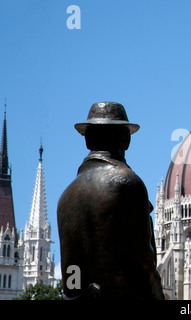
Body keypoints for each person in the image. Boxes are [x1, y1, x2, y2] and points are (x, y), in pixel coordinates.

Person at [57, 102, 164, 300]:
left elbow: (72, 271)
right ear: (125, 140)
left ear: (87, 141)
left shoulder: (66, 197)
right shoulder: (126, 183)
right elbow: (145, 265)